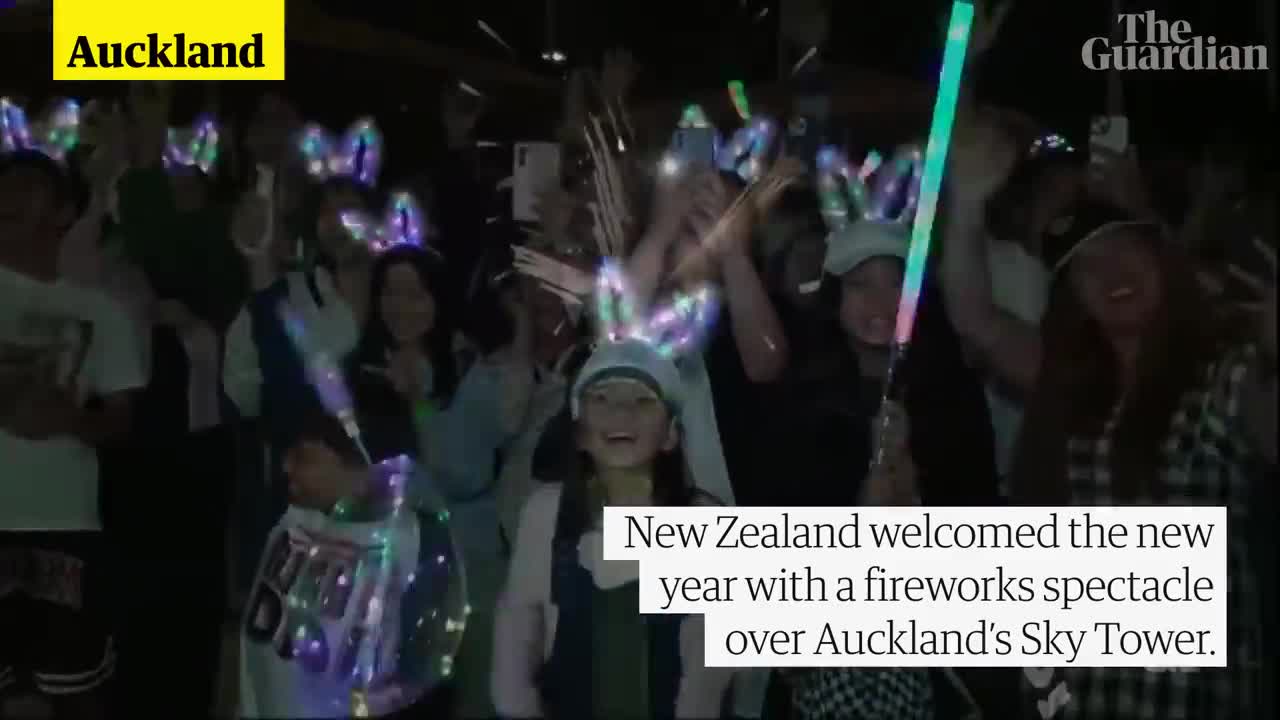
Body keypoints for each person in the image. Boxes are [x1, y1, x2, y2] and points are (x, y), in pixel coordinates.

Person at [943, 114, 1277, 719]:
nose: (1112, 272)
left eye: (1127, 250)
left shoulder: (1219, 374)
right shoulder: (1072, 383)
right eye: (1089, 265)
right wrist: (965, 208)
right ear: (1074, 295)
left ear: (1163, 262)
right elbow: (976, 318)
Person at [782, 196, 999, 720]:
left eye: (895, 282)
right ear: (836, 300)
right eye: (860, 284)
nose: (881, 300)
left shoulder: (955, 397)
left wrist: (910, 480)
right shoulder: (804, 405)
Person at [492, 335, 736, 719]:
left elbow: (704, 679)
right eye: (602, 399)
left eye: (642, 401)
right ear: (579, 432)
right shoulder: (546, 514)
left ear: (671, 432)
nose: (621, 414)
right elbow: (517, 638)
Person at [345, 243, 533, 718]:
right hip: (386, 571)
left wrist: (420, 400)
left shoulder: (474, 368)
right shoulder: (364, 368)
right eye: (390, 292)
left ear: (440, 300)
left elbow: (462, 473)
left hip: (465, 570)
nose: (401, 306)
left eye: (416, 293)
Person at [0, 150, 148, 719]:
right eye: (3, 186)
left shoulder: (103, 309)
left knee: (75, 684)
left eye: (26, 187)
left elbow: (121, 423)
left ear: (63, 211)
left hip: (66, 520)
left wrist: (68, 420)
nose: (9, 197)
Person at [238, 406, 458, 719]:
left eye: (305, 456)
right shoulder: (291, 524)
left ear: (362, 467)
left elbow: (421, 671)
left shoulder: (413, 543)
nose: (286, 466)